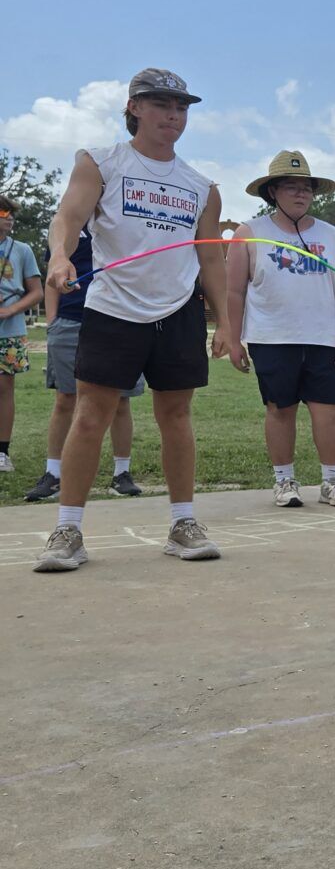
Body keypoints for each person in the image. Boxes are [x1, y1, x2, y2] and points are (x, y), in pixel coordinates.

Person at [35, 68, 230, 573]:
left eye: (182, 107)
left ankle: (184, 523)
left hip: (178, 313)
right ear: (134, 108)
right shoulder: (99, 162)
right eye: (162, 104)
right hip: (113, 308)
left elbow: (211, 261)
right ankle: (68, 529)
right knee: (90, 416)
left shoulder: (201, 187)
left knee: (177, 416)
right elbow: (69, 218)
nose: (173, 115)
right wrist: (59, 256)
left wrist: (226, 322)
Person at [227, 151, 335, 510]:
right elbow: (234, 289)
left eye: (307, 188)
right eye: (291, 187)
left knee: (328, 411)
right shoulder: (250, 233)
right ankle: (284, 481)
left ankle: (332, 481)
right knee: (279, 408)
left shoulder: (332, 236)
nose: (301, 194)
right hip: (271, 337)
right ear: (272, 192)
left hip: (322, 338)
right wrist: (233, 338)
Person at [25, 226, 145, 503]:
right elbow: (51, 275)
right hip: (70, 321)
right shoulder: (68, 228)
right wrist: (54, 320)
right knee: (65, 398)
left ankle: (122, 473)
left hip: (118, 318)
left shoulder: (120, 222)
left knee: (121, 401)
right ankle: (53, 473)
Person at [0, 193, 44, 473]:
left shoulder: (22, 249)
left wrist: (9, 311)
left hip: (10, 330)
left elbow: (37, 292)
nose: (10, 219)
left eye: (11, 215)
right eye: (4, 215)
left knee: (4, 387)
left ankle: (2, 452)